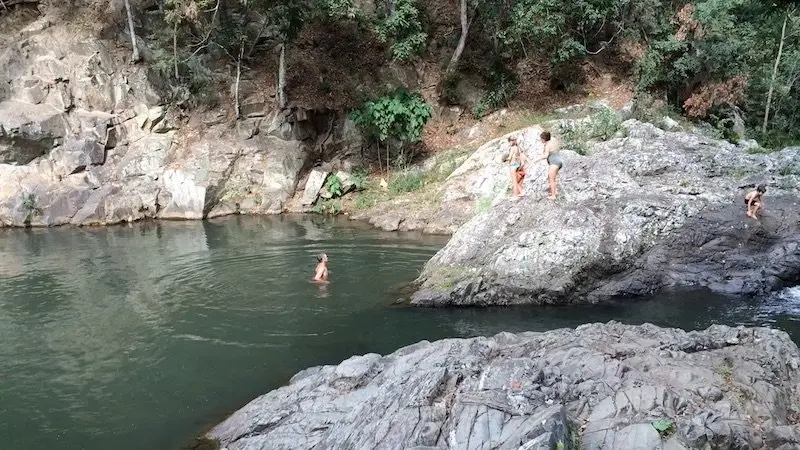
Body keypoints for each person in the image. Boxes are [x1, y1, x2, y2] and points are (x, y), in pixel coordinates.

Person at [532, 131, 563, 200]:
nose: (540, 140)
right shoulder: (553, 142)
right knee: (554, 178)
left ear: (543, 139)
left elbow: (545, 155)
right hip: (559, 161)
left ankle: (553, 195)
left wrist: (536, 159)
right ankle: (555, 191)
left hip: (554, 162)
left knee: (551, 179)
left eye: (541, 139)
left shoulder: (547, 145)